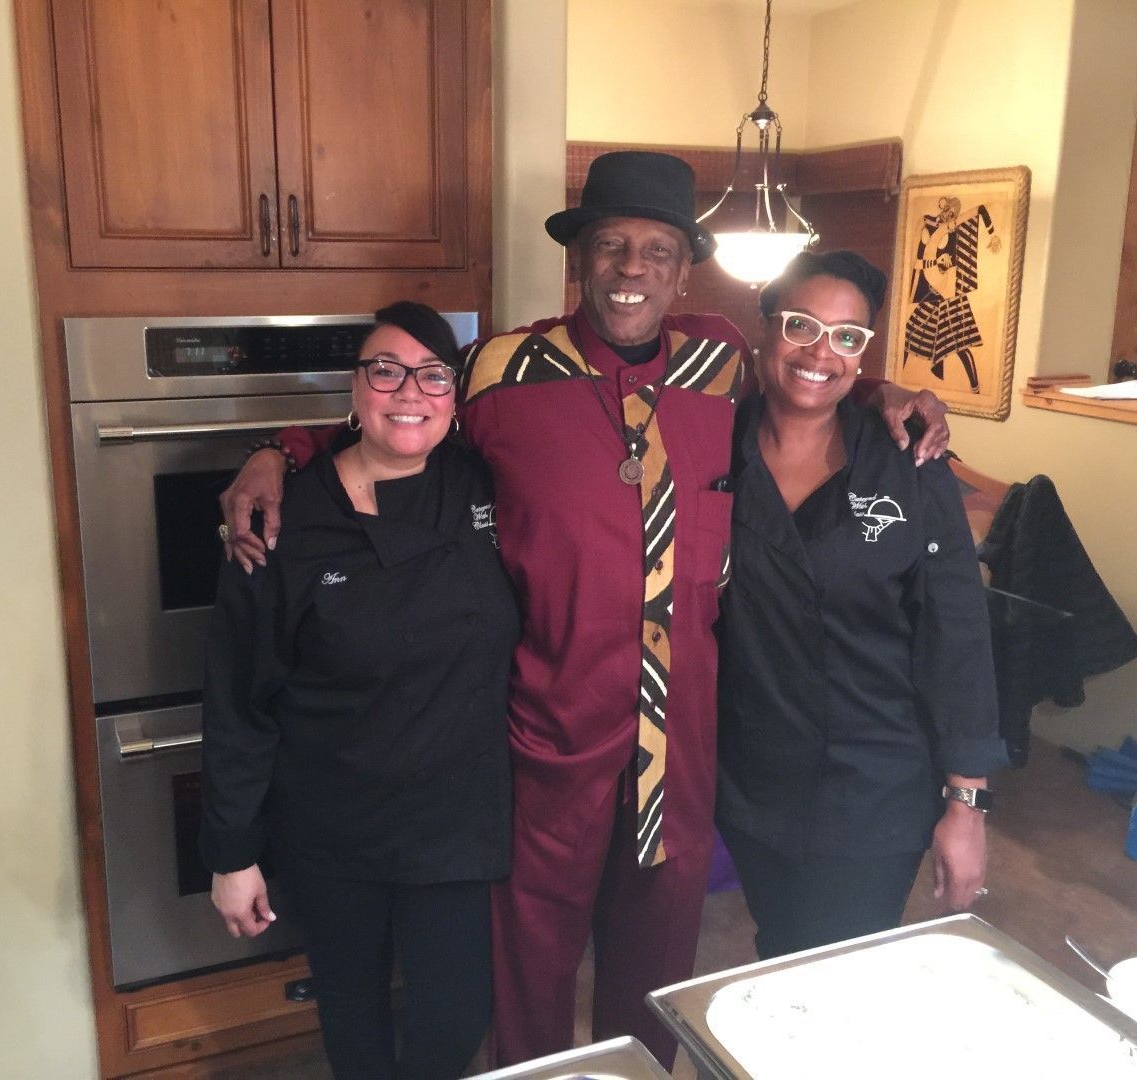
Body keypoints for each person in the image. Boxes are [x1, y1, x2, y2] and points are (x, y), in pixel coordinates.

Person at [219, 152, 951, 1067]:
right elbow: (397, 426)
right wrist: (275, 451)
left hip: (679, 746)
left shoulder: (723, 365)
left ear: (684, 268)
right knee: (526, 974)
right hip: (542, 738)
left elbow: (816, 383)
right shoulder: (500, 373)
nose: (631, 268)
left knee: (656, 978)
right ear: (580, 261)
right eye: (610, 246)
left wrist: (894, 392)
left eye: (655, 250)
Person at [198, 302, 519, 1080]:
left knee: (455, 1015)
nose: (408, 391)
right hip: (333, 825)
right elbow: (239, 700)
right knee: (352, 1013)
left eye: (432, 375)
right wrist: (232, 856)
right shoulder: (280, 522)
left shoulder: (494, 484)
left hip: (456, 822)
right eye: (385, 370)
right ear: (355, 388)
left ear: (455, 397)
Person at [715, 250, 1009, 962]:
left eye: (848, 337)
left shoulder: (907, 461)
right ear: (763, 329)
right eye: (802, 325)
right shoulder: (710, 446)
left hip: (873, 785)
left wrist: (966, 805)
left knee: (839, 967)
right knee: (779, 946)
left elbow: (958, 633)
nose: (823, 351)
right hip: (752, 777)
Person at [904, 196, 1001, 392]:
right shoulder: (927, 224)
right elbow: (918, 263)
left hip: (950, 297)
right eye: (945, 210)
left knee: (960, 344)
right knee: (910, 336)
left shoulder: (955, 231)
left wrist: (992, 233)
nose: (947, 215)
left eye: (951, 213)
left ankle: (976, 389)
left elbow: (981, 208)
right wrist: (935, 265)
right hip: (931, 296)